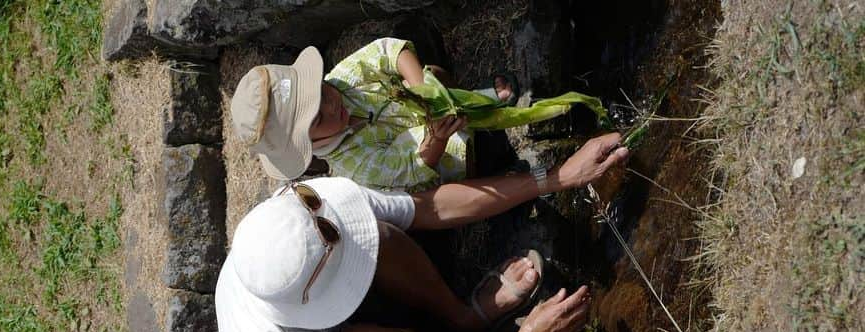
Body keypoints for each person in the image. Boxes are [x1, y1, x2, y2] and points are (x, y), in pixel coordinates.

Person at [214, 133, 628, 332]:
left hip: (326, 313)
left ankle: (462, 316)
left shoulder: (301, 214)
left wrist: (557, 178)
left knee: (376, 234)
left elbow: (426, 208)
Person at [231, 42, 605, 193]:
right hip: (442, 152)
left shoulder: (343, 81)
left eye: (322, 92)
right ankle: (495, 165)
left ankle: (483, 98)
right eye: (316, 118)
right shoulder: (351, 165)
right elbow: (410, 166)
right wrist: (436, 140)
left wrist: (419, 83)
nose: (331, 104)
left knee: (434, 75)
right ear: (308, 144)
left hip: (432, 109)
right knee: (461, 158)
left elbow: (386, 50)